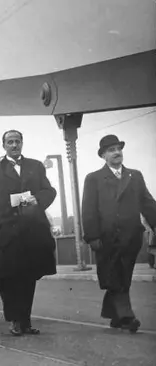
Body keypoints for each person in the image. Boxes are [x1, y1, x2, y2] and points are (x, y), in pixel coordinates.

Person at [0, 130, 57, 336]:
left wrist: (36, 200)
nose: (14, 145)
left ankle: (26, 321)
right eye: (10, 142)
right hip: (4, 233)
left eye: (17, 141)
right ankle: (14, 319)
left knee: (28, 277)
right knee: (7, 278)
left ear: (22, 143)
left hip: (31, 232)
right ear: (3, 145)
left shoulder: (36, 166)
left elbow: (49, 191)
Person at [82, 135, 156, 333]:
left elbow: (147, 203)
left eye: (118, 148)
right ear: (103, 155)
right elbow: (88, 209)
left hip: (131, 237)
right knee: (115, 276)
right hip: (106, 238)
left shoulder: (135, 176)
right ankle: (127, 316)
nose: (116, 152)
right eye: (111, 150)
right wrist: (92, 236)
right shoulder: (93, 178)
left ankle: (115, 316)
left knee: (122, 277)